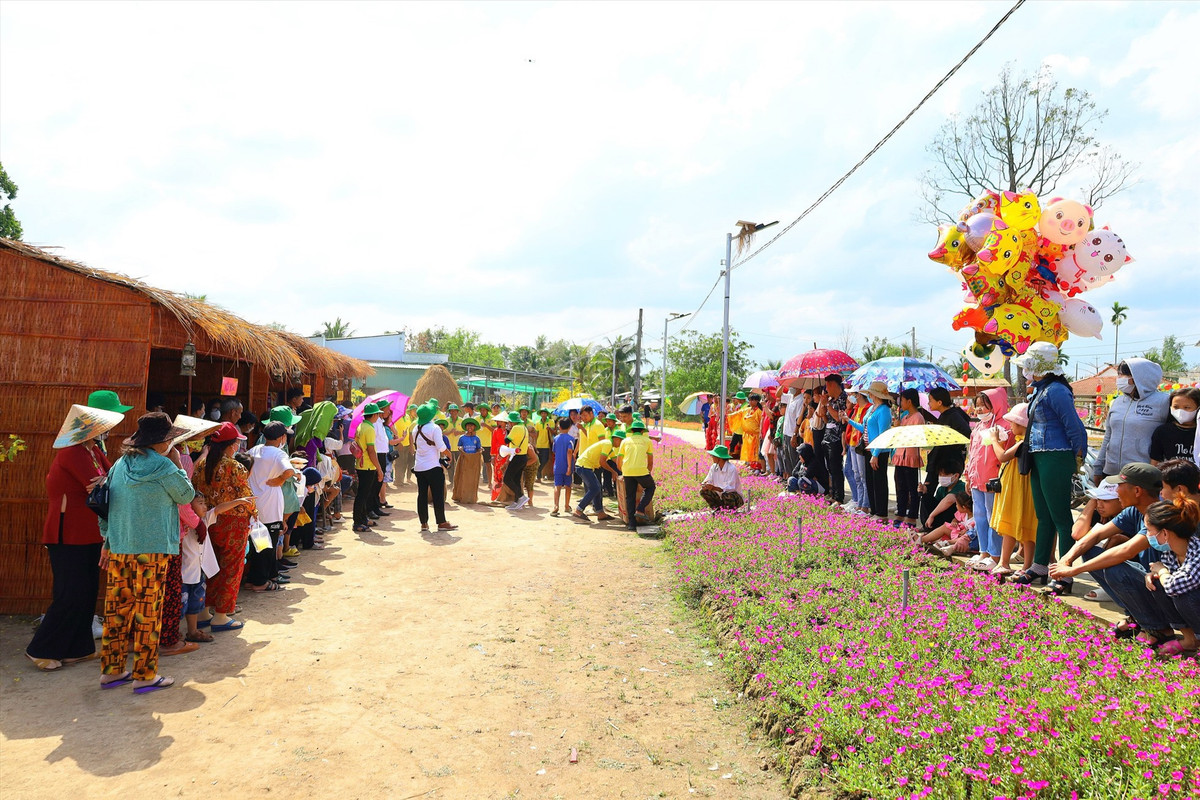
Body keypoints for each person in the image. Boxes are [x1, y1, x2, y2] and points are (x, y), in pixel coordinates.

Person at [25, 402, 126, 672]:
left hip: (88, 530)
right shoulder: (72, 453)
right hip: (67, 532)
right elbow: (99, 481)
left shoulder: (91, 449)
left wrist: (106, 479)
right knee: (71, 593)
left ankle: (77, 649)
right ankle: (41, 649)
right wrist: (106, 480)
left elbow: (111, 477)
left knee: (87, 590)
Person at [98, 412, 195, 694]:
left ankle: (111, 671)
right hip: (152, 549)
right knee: (148, 613)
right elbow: (186, 496)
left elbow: (104, 503)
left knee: (117, 611)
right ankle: (144, 675)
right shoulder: (165, 467)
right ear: (164, 441)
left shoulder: (119, 465)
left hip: (121, 546)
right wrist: (177, 465)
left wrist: (107, 539)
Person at [1050, 463, 1173, 647]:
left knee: (1114, 569)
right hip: (1151, 581)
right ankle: (1137, 617)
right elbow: (1096, 535)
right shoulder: (1135, 510)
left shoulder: (1162, 514)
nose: (1116, 490)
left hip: (1170, 589)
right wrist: (1066, 560)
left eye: (1120, 486)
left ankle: (1158, 629)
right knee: (1090, 552)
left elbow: (1125, 551)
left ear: (1137, 490)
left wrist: (1074, 571)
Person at [1011, 343, 1089, 592]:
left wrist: (1077, 457)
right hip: (1039, 457)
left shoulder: (1056, 391)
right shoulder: (1040, 390)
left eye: (1028, 365)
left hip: (1056, 457)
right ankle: (1040, 566)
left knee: (1061, 518)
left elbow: (1074, 426)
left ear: (1038, 366)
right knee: (1043, 516)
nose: (1024, 369)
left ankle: (1064, 574)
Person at [192, 422, 257, 620]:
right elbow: (246, 497)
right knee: (231, 568)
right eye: (237, 443)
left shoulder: (201, 465)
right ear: (231, 445)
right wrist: (255, 514)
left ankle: (204, 612)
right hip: (233, 523)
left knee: (210, 566)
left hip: (208, 521)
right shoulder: (235, 467)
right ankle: (222, 615)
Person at [1093, 358, 1170, 481]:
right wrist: (1098, 467)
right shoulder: (1118, 401)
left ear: (1140, 377)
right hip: (1111, 472)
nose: (1119, 378)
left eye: (1124, 374)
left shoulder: (1163, 401)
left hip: (1142, 474)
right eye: (1119, 374)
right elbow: (1108, 435)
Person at [1144, 495, 1200, 655]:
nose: (1148, 536)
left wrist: (1161, 571)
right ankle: (1190, 640)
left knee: (1182, 593)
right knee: (1158, 584)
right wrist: (1154, 575)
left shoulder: (1197, 553)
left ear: (1165, 534)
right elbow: (1167, 580)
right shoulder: (1170, 553)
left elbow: (1174, 585)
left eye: (1149, 530)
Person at [988, 403, 1037, 578]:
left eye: (1013, 423)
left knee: (1023, 524)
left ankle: (1024, 564)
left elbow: (1002, 456)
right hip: (1014, 486)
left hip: (1020, 488)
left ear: (1023, 425)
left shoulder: (1024, 442)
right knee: (1012, 523)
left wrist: (994, 440)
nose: (1010, 426)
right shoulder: (1019, 441)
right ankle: (1005, 562)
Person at [964, 388, 1011, 572]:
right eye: (977, 407)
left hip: (993, 482)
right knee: (980, 517)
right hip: (976, 480)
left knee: (994, 518)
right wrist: (968, 476)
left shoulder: (1004, 426)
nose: (980, 410)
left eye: (984, 406)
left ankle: (995, 554)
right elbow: (972, 454)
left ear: (996, 405)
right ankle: (983, 551)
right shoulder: (977, 428)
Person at [245, 421, 294, 592]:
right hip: (270, 507)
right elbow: (290, 471)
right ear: (281, 437)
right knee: (266, 546)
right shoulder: (279, 454)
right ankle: (260, 582)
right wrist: (280, 480)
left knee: (258, 545)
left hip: (253, 505)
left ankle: (257, 578)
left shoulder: (253, 450)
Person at [919, 387, 972, 521]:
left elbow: (966, 432)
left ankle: (940, 522)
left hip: (949, 462)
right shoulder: (944, 415)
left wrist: (951, 446)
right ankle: (928, 522)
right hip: (938, 459)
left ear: (940, 402)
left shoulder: (953, 415)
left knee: (941, 491)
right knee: (926, 491)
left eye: (931, 400)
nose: (929, 403)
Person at [848, 381, 893, 520]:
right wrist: (849, 420)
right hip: (868, 450)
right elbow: (864, 427)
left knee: (879, 481)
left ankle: (881, 513)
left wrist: (876, 454)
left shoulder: (884, 410)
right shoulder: (872, 408)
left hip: (878, 452)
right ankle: (874, 510)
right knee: (870, 481)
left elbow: (882, 434)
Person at [413, 402, 456, 532]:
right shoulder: (434, 428)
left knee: (422, 495)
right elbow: (441, 447)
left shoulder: (415, 428)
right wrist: (450, 456)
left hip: (419, 467)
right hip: (433, 466)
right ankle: (441, 522)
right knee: (438, 495)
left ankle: (424, 523)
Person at [891, 389, 930, 528]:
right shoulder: (904, 417)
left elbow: (915, 437)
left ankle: (912, 516)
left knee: (912, 488)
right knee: (900, 486)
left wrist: (901, 430)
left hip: (911, 455)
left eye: (902, 400)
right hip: (901, 454)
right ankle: (900, 513)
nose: (900, 403)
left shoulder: (918, 417)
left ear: (909, 401)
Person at [573, 427, 618, 520]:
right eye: (621, 441)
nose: (621, 444)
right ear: (616, 439)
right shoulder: (608, 443)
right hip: (583, 466)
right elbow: (602, 462)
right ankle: (578, 510)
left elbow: (616, 460)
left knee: (597, 488)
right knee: (595, 488)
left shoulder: (609, 447)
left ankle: (600, 512)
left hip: (585, 466)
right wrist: (613, 472)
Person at [617, 420, 655, 530]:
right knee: (650, 487)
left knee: (630, 497)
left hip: (627, 471)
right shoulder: (647, 441)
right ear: (643, 431)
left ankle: (631, 524)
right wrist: (648, 471)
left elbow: (619, 459)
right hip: (641, 471)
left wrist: (622, 471)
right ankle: (640, 509)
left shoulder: (625, 441)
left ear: (632, 431)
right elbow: (650, 461)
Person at [352, 404, 383, 533]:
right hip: (367, 466)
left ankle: (363, 519)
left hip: (361, 464)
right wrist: (379, 469)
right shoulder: (369, 429)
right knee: (363, 495)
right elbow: (371, 451)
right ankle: (358, 522)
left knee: (363, 494)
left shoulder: (361, 426)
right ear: (374, 415)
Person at [1150, 387, 1199, 466]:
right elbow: (1155, 461)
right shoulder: (1163, 431)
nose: (1180, 411)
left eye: (1187, 407)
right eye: (1176, 407)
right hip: (1169, 477)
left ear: (1198, 408)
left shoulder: (1198, 432)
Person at [821, 374, 848, 503]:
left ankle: (839, 497)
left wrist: (827, 405)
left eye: (827, 385)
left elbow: (838, 418)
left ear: (832, 384)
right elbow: (825, 418)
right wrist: (823, 404)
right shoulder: (830, 400)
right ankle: (833, 494)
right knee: (830, 468)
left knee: (836, 468)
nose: (826, 389)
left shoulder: (843, 399)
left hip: (837, 438)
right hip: (827, 437)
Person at [501, 411, 530, 511]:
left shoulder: (516, 428)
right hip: (523, 457)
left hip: (517, 457)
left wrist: (507, 431)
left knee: (507, 479)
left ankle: (521, 497)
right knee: (516, 480)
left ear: (512, 422)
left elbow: (506, 440)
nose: (508, 423)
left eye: (509, 422)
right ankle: (518, 502)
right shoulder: (524, 428)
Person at [699, 444, 743, 510]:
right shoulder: (714, 467)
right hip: (719, 495)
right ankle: (717, 508)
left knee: (726, 495)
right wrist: (705, 485)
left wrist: (715, 488)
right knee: (703, 491)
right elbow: (708, 480)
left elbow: (731, 488)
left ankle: (729, 509)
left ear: (719, 458)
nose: (712, 457)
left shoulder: (732, 469)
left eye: (713, 456)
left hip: (734, 497)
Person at [547, 419, 575, 517]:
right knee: (568, 486)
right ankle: (567, 505)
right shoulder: (571, 439)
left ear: (559, 427)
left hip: (558, 465)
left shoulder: (556, 438)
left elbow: (554, 451)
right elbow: (569, 452)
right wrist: (569, 467)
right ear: (570, 427)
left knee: (557, 485)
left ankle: (556, 506)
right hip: (567, 465)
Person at [452, 418, 483, 505]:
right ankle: (461, 496)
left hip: (473, 461)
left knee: (472, 479)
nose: (470, 427)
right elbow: (459, 446)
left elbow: (478, 447)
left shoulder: (477, 438)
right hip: (464, 460)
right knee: (463, 478)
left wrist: (480, 450)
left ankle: (471, 497)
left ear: (474, 427)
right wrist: (462, 450)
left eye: (472, 426)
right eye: (468, 425)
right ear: (465, 427)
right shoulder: (462, 437)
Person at [740, 393, 764, 472]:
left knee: (756, 451)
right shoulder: (748, 410)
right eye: (749, 400)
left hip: (756, 435)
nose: (750, 402)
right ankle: (751, 465)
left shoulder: (759, 411)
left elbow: (761, 423)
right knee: (750, 451)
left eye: (752, 400)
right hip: (748, 435)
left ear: (757, 401)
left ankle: (757, 467)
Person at [534, 408, 553, 482]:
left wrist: (549, 429)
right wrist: (535, 444)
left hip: (547, 445)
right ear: (541, 414)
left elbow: (554, 432)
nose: (543, 414)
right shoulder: (538, 423)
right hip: (539, 444)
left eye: (545, 413)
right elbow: (537, 434)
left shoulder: (551, 422)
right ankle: (539, 477)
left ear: (547, 414)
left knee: (545, 460)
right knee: (538, 460)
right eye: (542, 413)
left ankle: (538, 471)